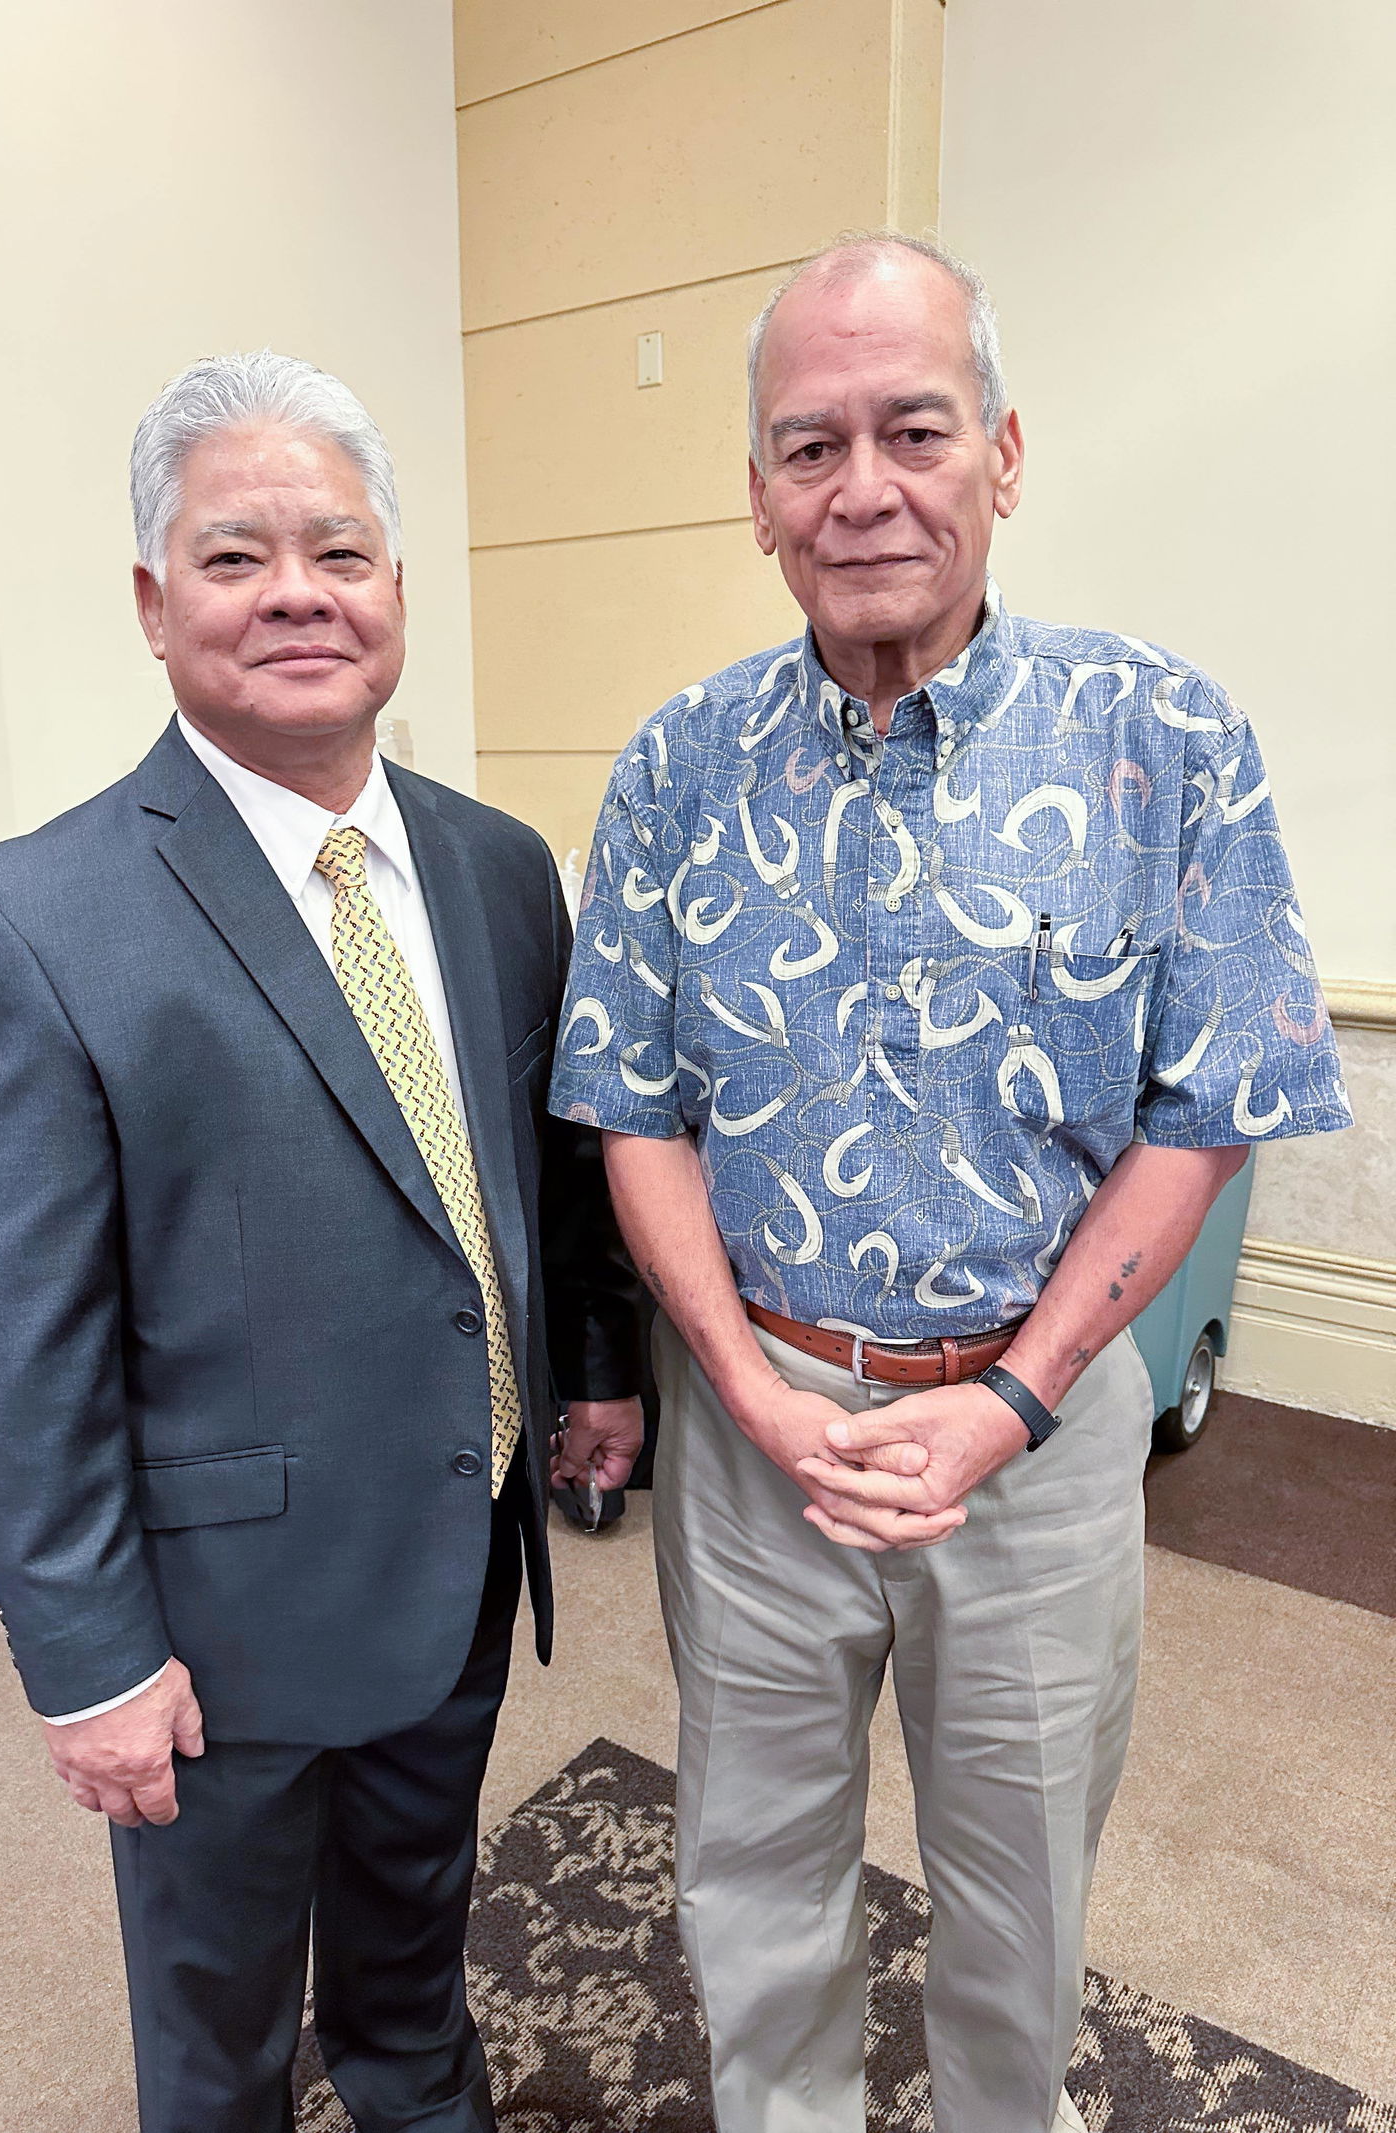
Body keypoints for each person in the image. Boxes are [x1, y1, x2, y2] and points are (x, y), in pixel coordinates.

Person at [550, 233, 1350, 2133]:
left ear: (1004, 451)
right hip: (759, 1432)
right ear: (758, 498)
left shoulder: (1167, 742)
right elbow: (630, 1105)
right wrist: (744, 1390)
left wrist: (1008, 1400)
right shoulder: (675, 767)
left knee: (1022, 1885)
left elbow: (1209, 1100)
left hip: (1042, 1422)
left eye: (915, 427)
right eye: (808, 445)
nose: (864, 486)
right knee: (751, 1866)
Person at [0, 350, 642, 2133]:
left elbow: (533, 1164)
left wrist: (599, 1375)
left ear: (397, 592)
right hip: (215, 1630)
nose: (301, 591)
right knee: (223, 2037)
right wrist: (86, 1656)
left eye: (343, 550)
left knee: (414, 1959)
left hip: (455, 1559)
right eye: (238, 558)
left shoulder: (494, 864)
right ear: (157, 607)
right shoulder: (36, 915)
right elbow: (14, 1341)